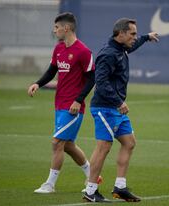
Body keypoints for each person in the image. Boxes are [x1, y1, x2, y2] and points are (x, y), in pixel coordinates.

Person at [82, 18, 159, 202]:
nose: (135, 37)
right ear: (121, 34)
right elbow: (100, 83)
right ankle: (90, 191)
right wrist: (118, 102)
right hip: (105, 107)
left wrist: (146, 37)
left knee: (129, 142)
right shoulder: (108, 54)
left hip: (115, 107)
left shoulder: (121, 48)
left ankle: (120, 188)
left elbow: (134, 45)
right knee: (104, 147)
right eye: (132, 33)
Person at [28, 12, 98, 194]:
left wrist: (78, 100)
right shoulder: (58, 49)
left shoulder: (83, 52)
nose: (55, 30)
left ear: (66, 28)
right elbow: (51, 71)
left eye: (57, 27)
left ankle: (49, 185)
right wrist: (38, 83)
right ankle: (93, 175)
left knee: (57, 143)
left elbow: (92, 79)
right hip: (59, 105)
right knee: (67, 145)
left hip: (73, 108)